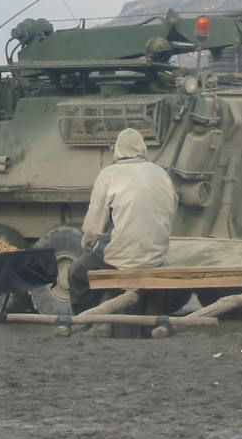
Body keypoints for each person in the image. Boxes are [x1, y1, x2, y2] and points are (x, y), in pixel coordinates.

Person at [68, 128, 176, 316]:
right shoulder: (160, 172)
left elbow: (94, 225)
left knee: (77, 272)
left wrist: (88, 243)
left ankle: (84, 321)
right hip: (155, 256)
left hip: (119, 258)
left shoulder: (109, 174)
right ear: (142, 148)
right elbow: (172, 208)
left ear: (117, 149)